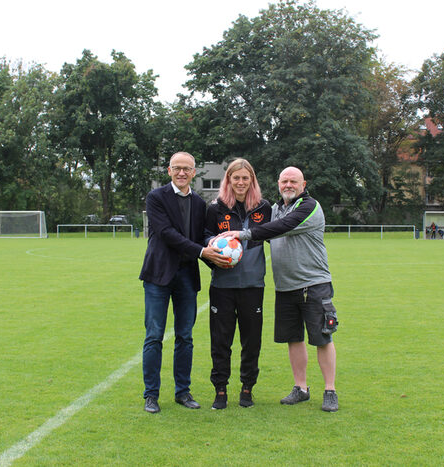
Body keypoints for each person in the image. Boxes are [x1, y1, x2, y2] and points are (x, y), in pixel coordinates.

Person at [224, 166, 339, 412]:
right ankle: (301, 388)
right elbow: (255, 220)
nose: (288, 185)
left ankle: (330, 390)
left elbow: (281, 228)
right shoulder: (275, 209)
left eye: (293, 181)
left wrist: (242, 234)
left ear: (303, 184)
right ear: (278, 183)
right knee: (293, 338)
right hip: (285, 286)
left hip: (314, 284)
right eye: (284, 181)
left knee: (322, 338)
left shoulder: (309, 207)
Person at [139, 151, 231, 414]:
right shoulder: (156, 197)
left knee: (185, 337)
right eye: (177, 168)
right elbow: (167, 234)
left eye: (186, 169)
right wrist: (203, 252)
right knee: (154, 336)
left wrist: (219, 255)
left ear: (193, 173)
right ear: (169, 170)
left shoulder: (200, 204)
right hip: (158, 276)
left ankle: (182, 392)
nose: (181, 172)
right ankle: (151, 395)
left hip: (187, 278)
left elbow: (201, 237)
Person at [204, 159, 272, 410]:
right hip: (222, 285)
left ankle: (247, 387)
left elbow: (275, 234)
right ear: (228, 180)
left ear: (252, 180)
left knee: (251, 340)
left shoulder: (264, 208)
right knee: (221, 340)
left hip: (253, 284)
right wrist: (215, 245)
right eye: (236, 178)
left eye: (246, 178)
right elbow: (204, 236)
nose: (241, 183)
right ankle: (220, 388)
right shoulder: (216, 208)